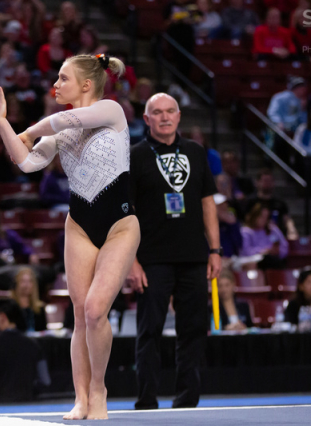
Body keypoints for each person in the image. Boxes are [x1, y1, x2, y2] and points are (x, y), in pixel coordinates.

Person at [0, 53, 140, 420]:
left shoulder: (110, 112)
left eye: (62, 78)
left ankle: (99, 390)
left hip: (120, 225)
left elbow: (62, 119)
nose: (55, 85)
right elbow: (26, 163)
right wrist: (3, 123)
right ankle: (81, 398)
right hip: (79, 225)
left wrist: (29, 130)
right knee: (79, 315)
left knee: (95, 308)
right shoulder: (59, 132)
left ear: (86, 85)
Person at [126, 92, 221, 410]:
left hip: (194, 255)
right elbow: (126, 212)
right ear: (147, 119)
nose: (165, 117)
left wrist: (216, 249)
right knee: (149, 330)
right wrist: (132, 261)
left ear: (179, 116)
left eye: (170, 111)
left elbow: (208, 202)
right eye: (157, 112)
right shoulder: (134, 156)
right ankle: (147, 399)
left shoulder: (195, 151)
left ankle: (187, 400)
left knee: (193, 330)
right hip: (151, 258)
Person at [0, 299, 51, 402]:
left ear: (3, 318)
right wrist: (28, 393)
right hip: (26, 406)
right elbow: (45, 381)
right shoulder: (33, 344)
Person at [245, 169, 298, 239]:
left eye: (270, 181)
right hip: (256, 238)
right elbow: (246, 221)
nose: (267, 183)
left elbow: (287, 220)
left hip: (276, 237)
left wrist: (292, 231)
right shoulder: (251, 202)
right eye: (265, 180)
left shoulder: (280, 202)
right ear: (257, 182)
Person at [240, 202, 288, 270]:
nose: (264, 220)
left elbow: (284, 247)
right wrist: (263, 251)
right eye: (261, 216)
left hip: (274, 262)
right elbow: (245, 251)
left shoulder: (273, 229)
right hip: (255, 264)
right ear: (255, 215)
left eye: (266, 217)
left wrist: (278, 251)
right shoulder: (246, 231)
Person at [11, 267, 47, 332]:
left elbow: (43, 331)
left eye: (29, 281)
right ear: (16, 284)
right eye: (23, 281)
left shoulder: (40, 308)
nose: (26, 285)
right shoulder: (11, 307)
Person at [215, 193, 242, 259]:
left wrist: (233, 225)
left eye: (225, 204)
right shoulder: (205, 225)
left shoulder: (231, 223)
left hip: (232, 260)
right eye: (220, 206)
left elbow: (239, 244)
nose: (224, 207)